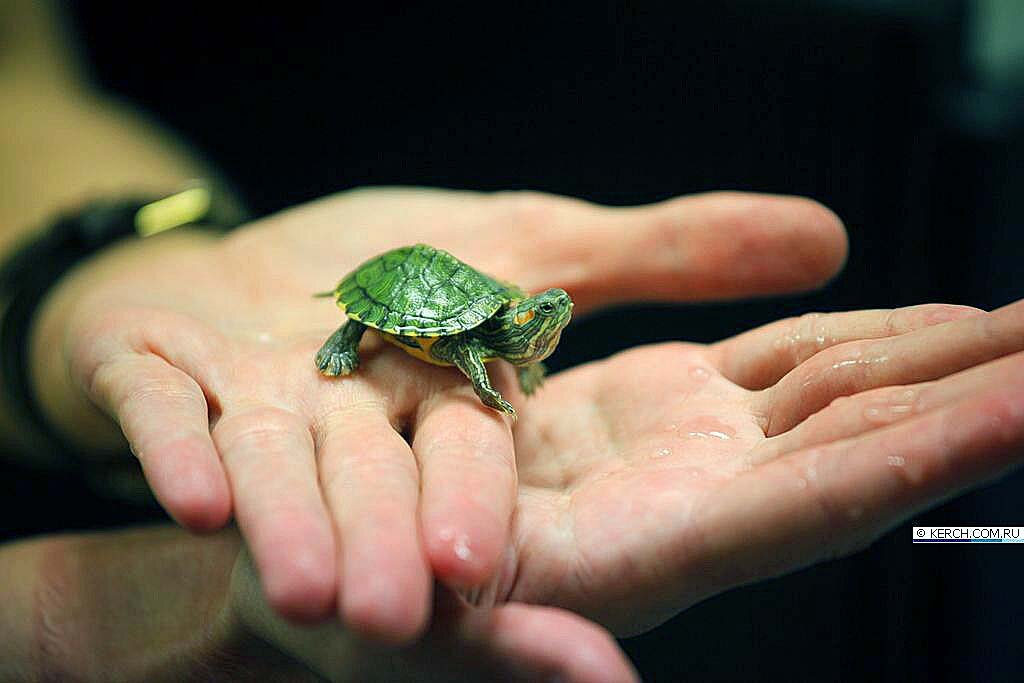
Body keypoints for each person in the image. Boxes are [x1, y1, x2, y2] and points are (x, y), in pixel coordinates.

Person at [4, 1, 1024, 679]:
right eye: (535, 324)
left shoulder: (512, 319)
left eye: (538, 322)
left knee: (922, 550)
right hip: (288, 135)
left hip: (876, 109)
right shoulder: (470, 339)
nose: (541, 325)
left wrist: (110, 258)